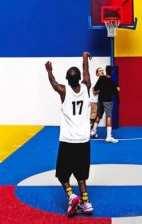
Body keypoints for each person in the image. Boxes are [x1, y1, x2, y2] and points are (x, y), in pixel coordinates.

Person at [45, 51, 93, 218]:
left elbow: (53, 83)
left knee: (62, 174)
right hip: (83, 140)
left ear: (67, 79)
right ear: (79, 78)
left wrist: (49, 70)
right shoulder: (87, 88)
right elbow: (86, 71)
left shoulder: (63, 91)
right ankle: (86, 202)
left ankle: (71, 196)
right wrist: (85, 57)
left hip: (67, 140)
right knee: (81, 175)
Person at [93, 65, 120, 143]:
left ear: (105, 71)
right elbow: (116, 93)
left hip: (100, 100)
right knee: (109, 117)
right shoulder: (113, 82)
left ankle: (93, 131)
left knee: (98, 115)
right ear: (112, 72)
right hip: (108, 101)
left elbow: (95, 89)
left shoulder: (101, 78)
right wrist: (118, 97)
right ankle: (108, 136)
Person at [90, 67, 104, 138]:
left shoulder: (102, 81)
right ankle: (90, 131)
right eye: (100, 71)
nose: (102, 72)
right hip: (94, 101)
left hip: (99, 101)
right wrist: (102, 89)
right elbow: (94, 92)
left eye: (102, 70)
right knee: (93, 118)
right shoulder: (96, 80)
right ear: (97, 73)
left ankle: (93, 131)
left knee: (96, 117)